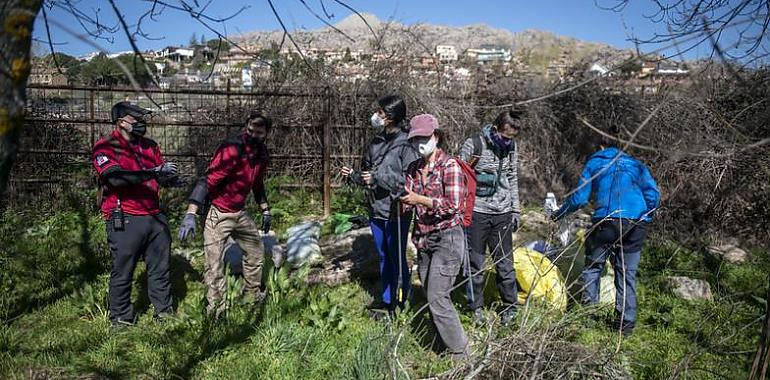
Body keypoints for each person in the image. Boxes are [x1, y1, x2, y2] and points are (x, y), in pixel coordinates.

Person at [550, 128, 659, 335]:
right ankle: (625, 325)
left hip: (607, 221)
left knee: (593, 267)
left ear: (601, 146)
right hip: (636, 223)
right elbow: (653, 194)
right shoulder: (636, 165)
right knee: (627, 274)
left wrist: (559, 214)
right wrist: (646, 216)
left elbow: (580, 199)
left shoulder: (596, 162)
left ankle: (588, 316)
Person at [92, 101, 179, 327]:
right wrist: (152, 172)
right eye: (137, 120)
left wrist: (171, 178)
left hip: (154, 215)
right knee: (123, 270)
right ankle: (121, 319)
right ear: (122, 122)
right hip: (125, 216)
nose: (142, 124)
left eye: (143, 119)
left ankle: (164, 313)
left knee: (160, 269)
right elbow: (116, 178)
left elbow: (158, 176)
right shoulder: (106, 147)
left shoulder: (150, 146)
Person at [178, 112, 272, 317]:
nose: (253, 135)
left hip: (239, 212)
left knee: (256, 251)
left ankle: (251, 295)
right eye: (250, 131)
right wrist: (191, 213)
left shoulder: (261, 154)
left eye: (259, 133)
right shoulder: (231, 149)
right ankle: (217, 310)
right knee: (214, 264)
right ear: (245, 128)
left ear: (266, 134)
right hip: (218, 213)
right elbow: (208, 180)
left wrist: (265, 209)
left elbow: (256, 183)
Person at [340, 95, 419, 317]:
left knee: (396, 256)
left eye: (381, 112)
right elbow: (368, 173)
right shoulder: (376, 142)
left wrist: (377, 179)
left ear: (392, 116)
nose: (377, 116)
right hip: (376, 209)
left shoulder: (406, 144)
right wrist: (353, 176)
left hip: (397, 210)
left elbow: (407, 181)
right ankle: (387, 301)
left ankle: (402, 300)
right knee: (384, 256)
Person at [401, 114, 469, 360]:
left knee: (437, 297)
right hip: (423, 239)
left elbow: (453, 205)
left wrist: (419, 199)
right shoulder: (413, 168)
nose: (420, 143)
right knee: (432, 296)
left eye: (424, 137)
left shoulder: (450, 166)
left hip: (447, 238)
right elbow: (406, 204)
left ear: (436, 137)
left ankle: (461, 354)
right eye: (416, 138)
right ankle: (442, 346)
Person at [459, 109, 523, 326]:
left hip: (502, 214)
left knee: (505, 265)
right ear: (496, 129)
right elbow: (458, 175)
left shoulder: (511, 147)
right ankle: (475, 308)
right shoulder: (474, 144)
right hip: (477, 213)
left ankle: (510, 308)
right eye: (505, 137)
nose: (508, 142)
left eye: (512, 138)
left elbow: (512, 177)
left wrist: (515, 209)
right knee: (474, 264)